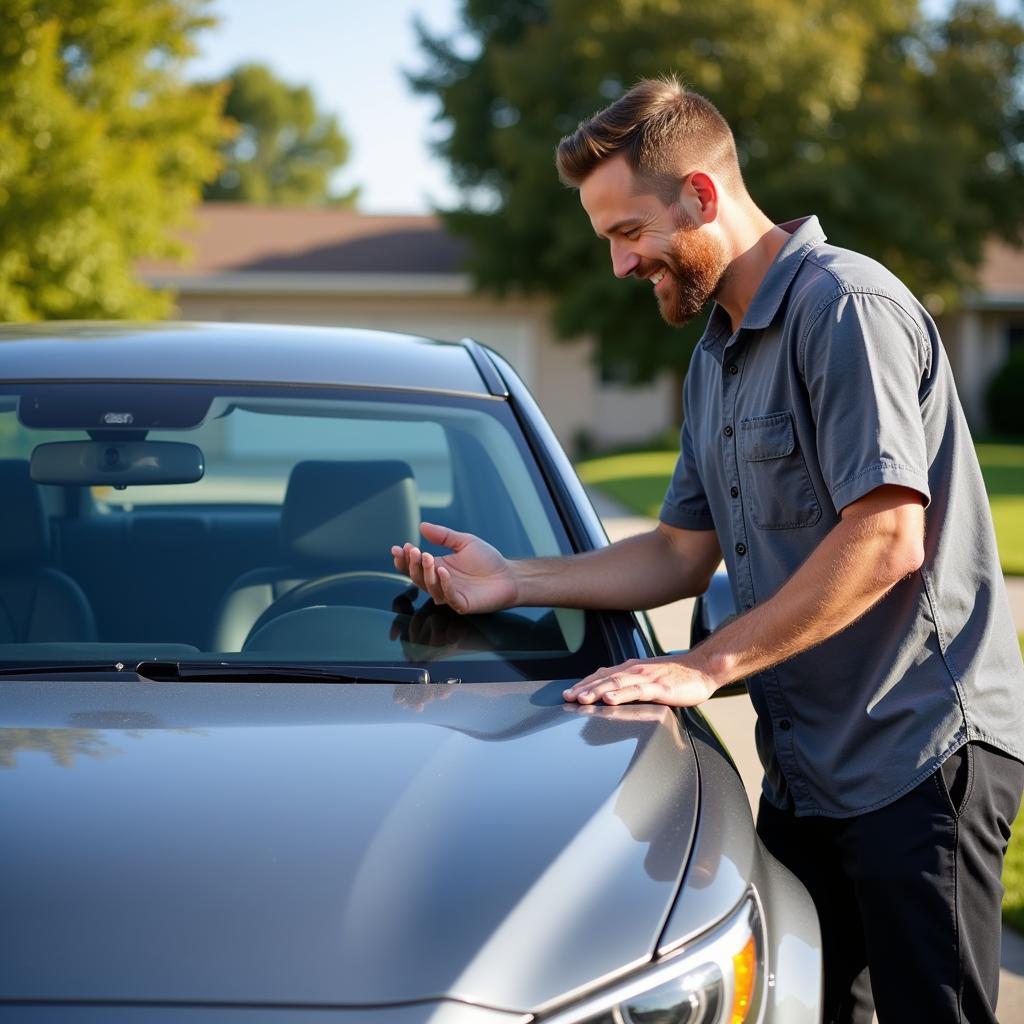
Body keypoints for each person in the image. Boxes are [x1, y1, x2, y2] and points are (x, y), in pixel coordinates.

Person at [391, 75, 1024, 1023]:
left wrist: (702, 666)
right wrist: (514, 579)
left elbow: (888, 537)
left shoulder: (845, 310)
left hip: (917, 756)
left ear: (701, 194)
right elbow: (682, 556)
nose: (618, 264)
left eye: (626, 233)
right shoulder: (716, 361)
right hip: (808, 772)